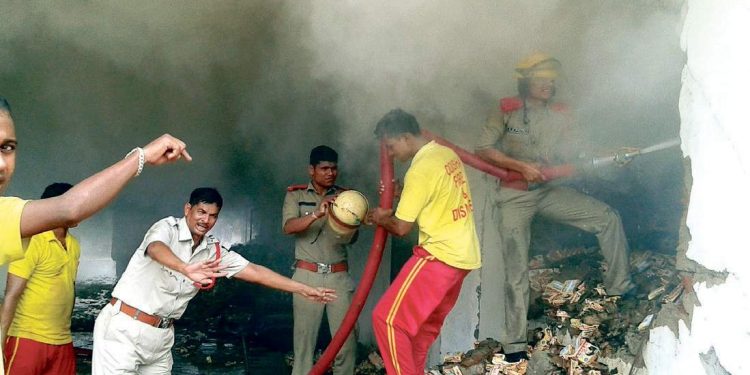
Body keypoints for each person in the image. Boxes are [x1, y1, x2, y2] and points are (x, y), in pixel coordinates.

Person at [474, 53, 634, 362]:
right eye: (541, 78)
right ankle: (515, 348)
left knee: (607, 217)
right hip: (513, 195)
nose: (548, 83)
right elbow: (483, 149)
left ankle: (618, 291)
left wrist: (613, 153)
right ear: (525, 81)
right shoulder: (505, 109)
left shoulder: (562, 113)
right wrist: (520, 166)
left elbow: (579, 151)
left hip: (547, 190)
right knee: (517, 270)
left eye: (551, 78)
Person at [92, 187, 337, 374]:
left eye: (212, 216)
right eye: (201, 212)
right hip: (124, 328)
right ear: (188, 209)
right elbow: (156, 248)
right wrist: (184, 268)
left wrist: (304, 289)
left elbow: (256, 272)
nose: (205, 220)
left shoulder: (213, 252)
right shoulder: (167, 228)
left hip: (162, 337)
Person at [0, 95, 192, 266]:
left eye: (7, 148)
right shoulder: (36, 242)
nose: (1, 164)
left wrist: (142, 156)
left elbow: (69, 208)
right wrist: (141, 156)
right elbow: (68, 209)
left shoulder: (5, 216)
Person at [369, 109, 481, 375]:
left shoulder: (420, 169)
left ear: (406, 137)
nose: (391, 154)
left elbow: (400, 227)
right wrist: (404, 194)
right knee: (419, 333)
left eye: (391, 146)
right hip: (462, 257)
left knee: (386, 321)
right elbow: (437, 198)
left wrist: (378, 217)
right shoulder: (445, 155)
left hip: (439, 255)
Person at [282, 145, 358, 375]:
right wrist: (318, 213)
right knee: (304, 345)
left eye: (334, 168)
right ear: (311, 170)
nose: (330, 173)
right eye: (324, 168)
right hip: (307, 276)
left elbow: (352, 240)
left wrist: (348, 220)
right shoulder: (296, 194)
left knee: (346, 344)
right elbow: (288, 228)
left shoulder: (346, 197)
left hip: (338, 276)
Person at [1, 183, 80, 374]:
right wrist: (1, 341)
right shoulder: (33, 240)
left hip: (62, 340)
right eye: (75, 203)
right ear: (57, 207)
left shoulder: (74, 245)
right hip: (27, 338)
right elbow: (11, 295)